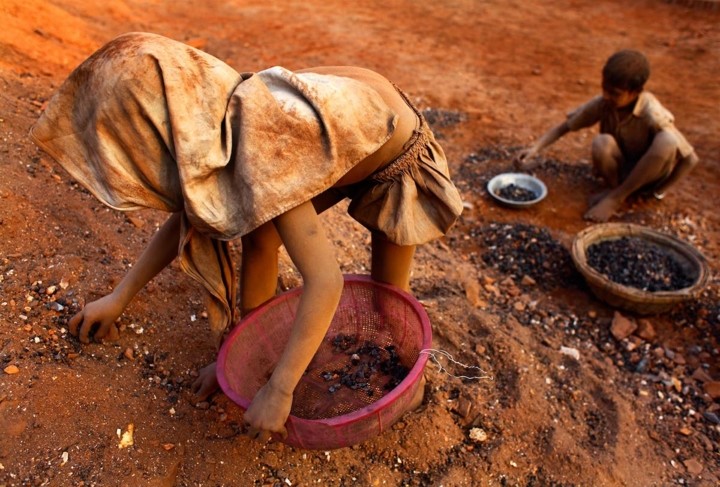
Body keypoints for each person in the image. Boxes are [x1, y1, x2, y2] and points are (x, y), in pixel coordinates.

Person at [30, 32, 463, 442]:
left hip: (396, 149)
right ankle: (256, 351)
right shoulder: (212, 117)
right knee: (260, 237)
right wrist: (120, 296)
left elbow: (325, 282)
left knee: (389, 304)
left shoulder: (264, 147)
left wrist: (280, 390)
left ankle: (410, 393)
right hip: (341, 122)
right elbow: (191, 217)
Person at [515, 49, 699, 221]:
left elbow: (690, 159)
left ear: (635, 92)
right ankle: (614, 190)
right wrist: (535, 148)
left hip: (648, 179)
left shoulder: (653, 113)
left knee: (666, 140)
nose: (606, 95)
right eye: (604, 88)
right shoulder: (604, 103)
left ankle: (616, 198)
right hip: (621, 174)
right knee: (602, 142)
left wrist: (659, 191)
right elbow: (565, 127)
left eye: (615, 93)